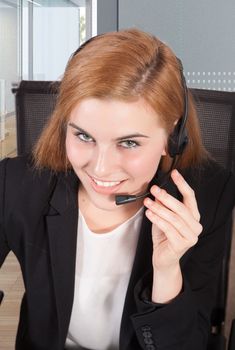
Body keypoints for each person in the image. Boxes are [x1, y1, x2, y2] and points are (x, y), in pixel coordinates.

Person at [0, 29, 235, 350]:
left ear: (172, 136)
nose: (100, 168)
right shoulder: (17, 183)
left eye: (128, 142)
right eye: (83, 136)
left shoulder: (209, 195)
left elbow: (187, 342)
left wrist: (167, 272)